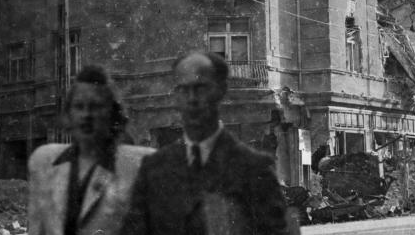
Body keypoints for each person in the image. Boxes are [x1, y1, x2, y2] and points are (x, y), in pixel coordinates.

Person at [122, 51, 290, 235]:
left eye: (200, 88)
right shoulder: (153, 169)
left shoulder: (255, 169)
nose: (192, 98)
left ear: (220, 91)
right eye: (183, 89)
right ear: (175, 96)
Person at [28, 65, 154, 235]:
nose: (86, 115)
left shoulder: (136, 168)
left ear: (112, 113)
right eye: (79, 106)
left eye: (96, 106)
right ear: (69, 113)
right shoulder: (45, 162)